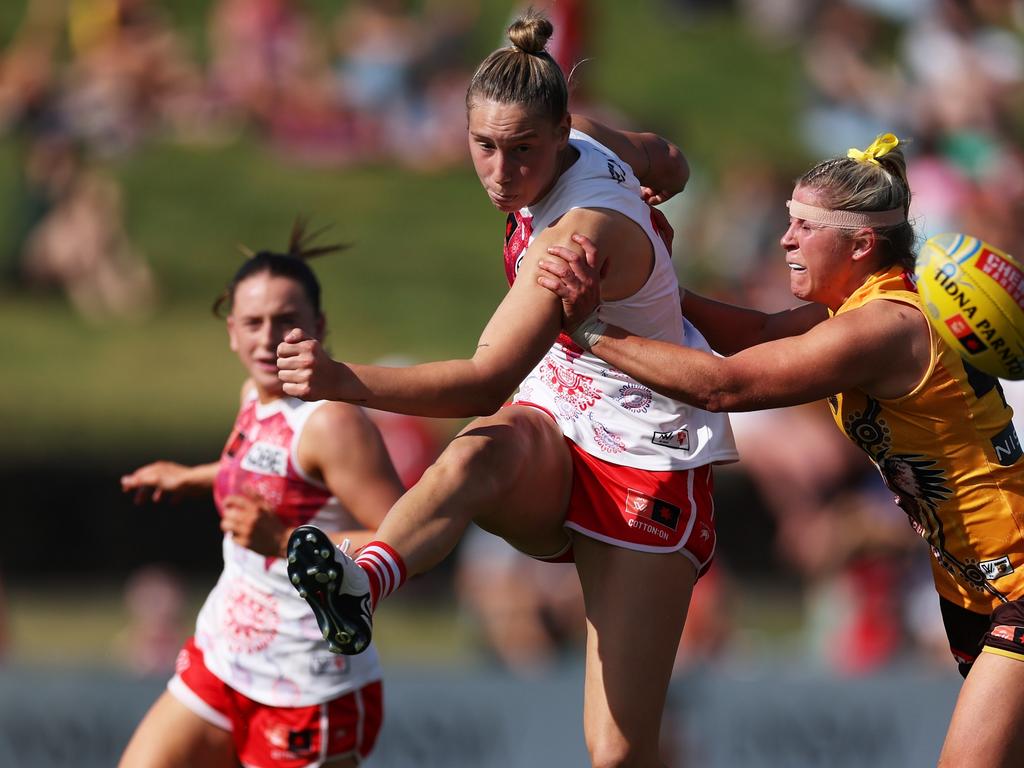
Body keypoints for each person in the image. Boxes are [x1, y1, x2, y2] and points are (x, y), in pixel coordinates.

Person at [277, 10, 736, 767]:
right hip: (559, 424)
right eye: (484, 146)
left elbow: (483, 376)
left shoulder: (575, 237)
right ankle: (361, 585)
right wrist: (659, 199)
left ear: (559, 136)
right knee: (471, 460)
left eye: (522, 150)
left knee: (620, 754)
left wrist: (338, 380)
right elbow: (672, 161)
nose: (500, 170)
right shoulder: (585, 131)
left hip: (651, 461)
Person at [538, 132, 1024, 767]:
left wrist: (592, 328)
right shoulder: (859, 308)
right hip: (972, 589)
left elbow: (726, 385)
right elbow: (757, 333)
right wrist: (642, 280)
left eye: (802, 227)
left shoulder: (884, 326)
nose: (784, 240)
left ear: (859, 243)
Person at [118, 222, 404, 768]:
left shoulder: (333, 424)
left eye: (286, 321)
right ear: (231, 331)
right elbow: (264, 472)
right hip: (223, 658)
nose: (267, 338)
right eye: (253, 322)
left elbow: (409, 540)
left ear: (318, 326)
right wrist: (196, 476)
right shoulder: (256, 391)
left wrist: (284, 541)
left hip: (308, 688)